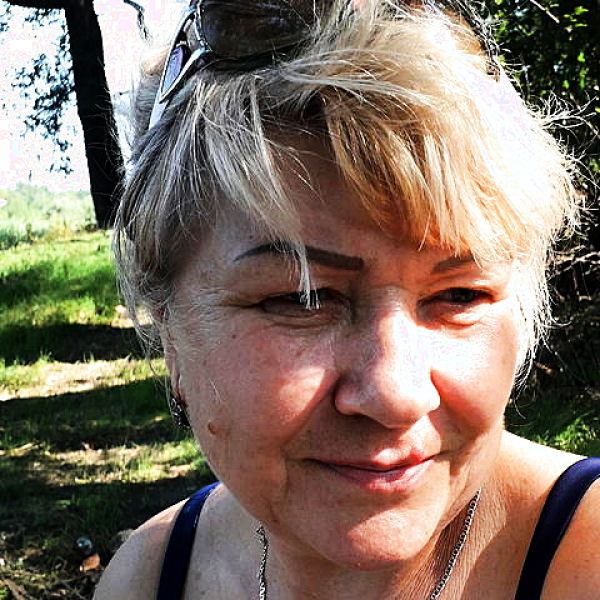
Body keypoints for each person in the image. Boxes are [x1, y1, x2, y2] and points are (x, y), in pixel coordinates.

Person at [95, 1, 600, 598]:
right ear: (172, 333)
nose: (396, 395)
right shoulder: (148, 577)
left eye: (459, 295)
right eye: (304, 299)